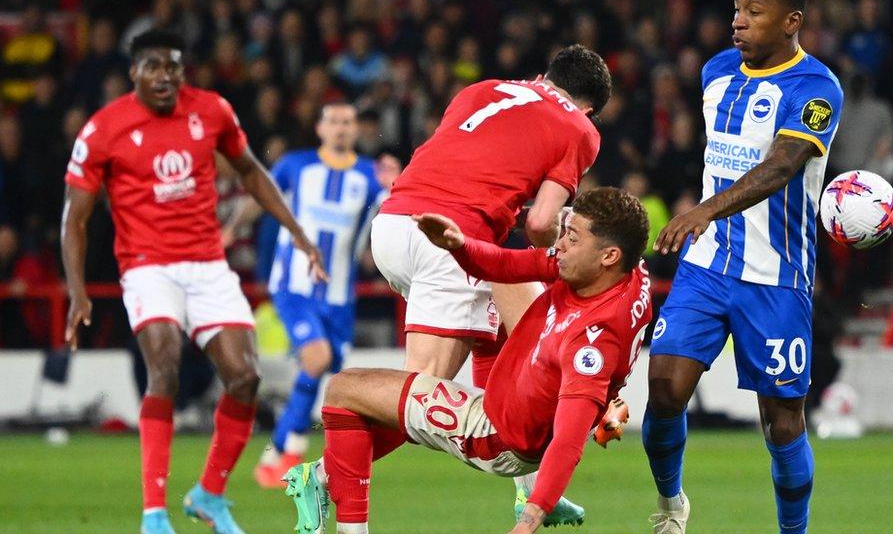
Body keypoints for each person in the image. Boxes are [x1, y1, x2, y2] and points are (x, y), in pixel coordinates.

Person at [61, 29, 325, 534]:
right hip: (146, 265)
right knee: (165, 367)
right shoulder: (104, 129)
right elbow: (75, 215)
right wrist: (76, 290)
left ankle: (209, 494)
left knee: (244, 379)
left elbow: (250, 173)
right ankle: (154, 513)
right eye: (154, 66)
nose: (165, 76)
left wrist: (297, 232)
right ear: (134, 71)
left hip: (207, 264)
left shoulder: (212, 111)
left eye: (174, 67)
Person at [284, 187, 652, 534]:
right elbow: (507, 265)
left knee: (344, 389)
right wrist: (460, 246)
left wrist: (531, 518)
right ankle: (530, 487)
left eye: (572, 238)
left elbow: (569, 441)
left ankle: (321, 478)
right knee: (502, 281)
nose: (560, 246)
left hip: (497, 435)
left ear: (608, 256)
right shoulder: (624, 270)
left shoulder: (593, 343)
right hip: (525, 397)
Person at [369, 43, 611, 524]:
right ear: (590, 109)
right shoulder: (579, 128)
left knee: (519, 337)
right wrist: (564, 233)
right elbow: (541, 225)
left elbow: (459, 165)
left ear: (544, 74)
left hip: (393, 227)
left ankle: (532, 492)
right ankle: (326, 472)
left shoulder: (481, 89)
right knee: (421, 396)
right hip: (451, 241)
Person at [643, 0, 844, 534]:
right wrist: (705, 216)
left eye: (754, 12)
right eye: (737, 8)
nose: (739, 19)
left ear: (791, 21)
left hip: (775, 275)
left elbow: (782, 166)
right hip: (707, 268)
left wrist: (704, 210)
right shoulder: (715, 72)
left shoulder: (816, 88)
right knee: (662, 390)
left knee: (782, 423)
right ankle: (670, 504)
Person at [227, 102, 387, 487]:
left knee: (328, 375)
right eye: (333, 120)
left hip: (339, 296)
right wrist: (231, 229)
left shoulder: (369, 176)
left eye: (347, 122)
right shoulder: (294, 166)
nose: (340, 128)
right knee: (317, 358)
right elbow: (259, 197)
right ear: (319, 128)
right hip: (294, 285)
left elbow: (391, 211)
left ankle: (277, 452)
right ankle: (290, 455)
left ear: (356, 130)